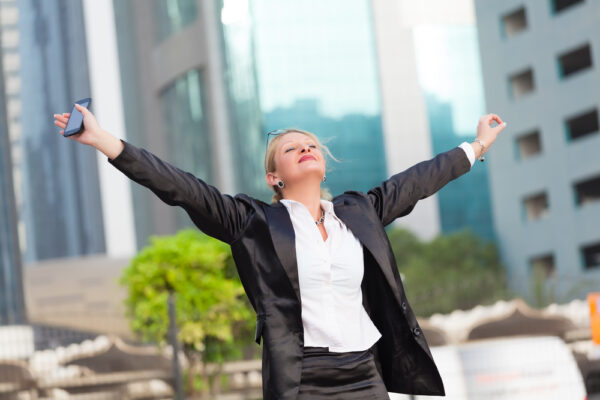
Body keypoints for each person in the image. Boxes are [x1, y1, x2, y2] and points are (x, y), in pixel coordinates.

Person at [54, 104, 506, 399]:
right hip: (303, 379)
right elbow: (180, 188)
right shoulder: (251, 223)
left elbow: (418, 181)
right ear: (275, 177)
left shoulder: (359, 211)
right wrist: (104, 141)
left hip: (366, 372)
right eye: (292, 148)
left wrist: (477, 145)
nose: (306, 148)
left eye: (311, 145)